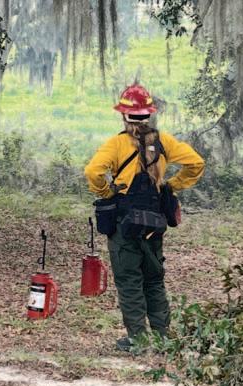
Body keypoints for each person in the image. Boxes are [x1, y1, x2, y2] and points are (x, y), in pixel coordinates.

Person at [84, 84, 205, 351]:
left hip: (123, 225)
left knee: (129, 281)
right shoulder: (164, 142)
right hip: (155, 223)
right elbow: (196, 163)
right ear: (149, 114)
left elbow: (93, 171)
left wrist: (106, 191)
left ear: (124, 115)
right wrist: (171, 186)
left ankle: (138, 340)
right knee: (153, 279)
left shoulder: (117, 144)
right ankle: (163, 337)